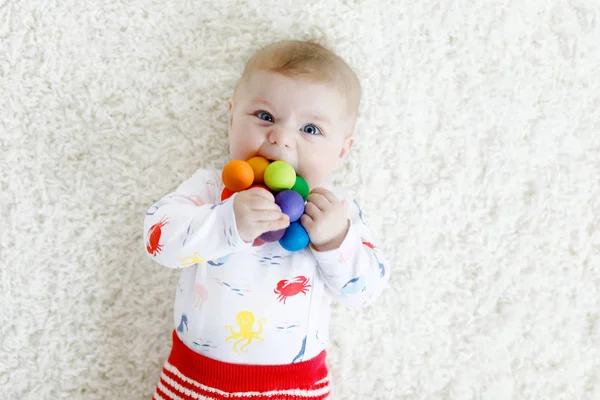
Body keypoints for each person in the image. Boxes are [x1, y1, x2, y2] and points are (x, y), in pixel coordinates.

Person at [144, 40, 389, 400]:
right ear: (231, 118)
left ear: (342, 150)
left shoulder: (336, 212)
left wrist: (335, 241)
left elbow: (364, 293)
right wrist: (229, 222)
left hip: (298, 386)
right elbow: (157, 241)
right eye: (265, 117)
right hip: (196, 379)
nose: (280, 139)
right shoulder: (212, 190)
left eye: (310, 129)